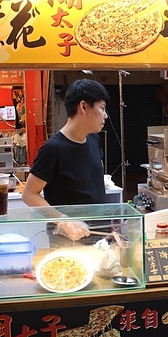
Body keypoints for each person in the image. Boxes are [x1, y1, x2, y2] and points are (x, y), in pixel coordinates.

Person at [22, 78, 110, 241]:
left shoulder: (93, 140)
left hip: (99, 232)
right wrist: (65, 222)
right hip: (68, 238)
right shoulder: (53, 149)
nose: (105, 115)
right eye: (102, 108)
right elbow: (29, 194)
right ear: (83, 106)